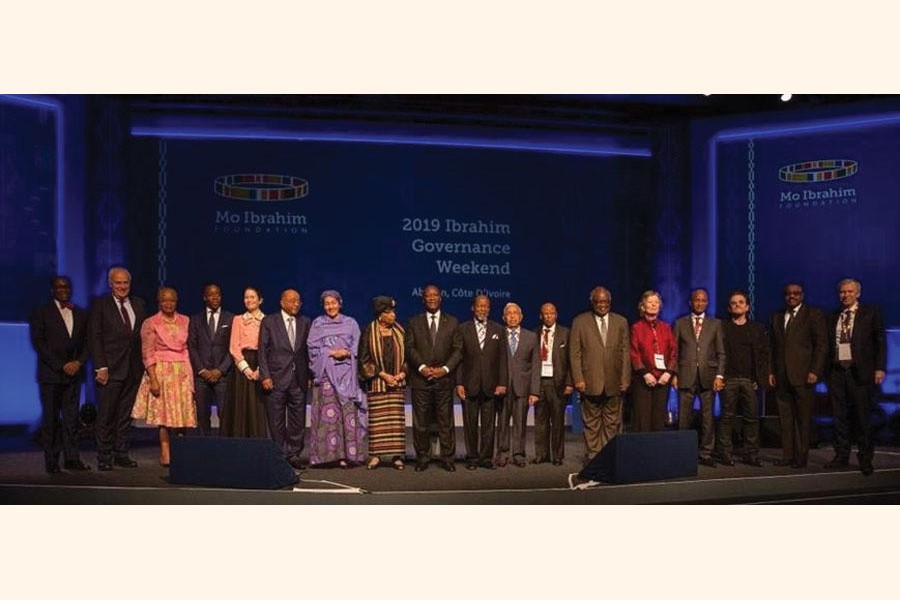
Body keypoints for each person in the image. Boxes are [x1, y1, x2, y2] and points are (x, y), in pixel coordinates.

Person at [29, 276, 91, 473]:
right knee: (51, 419)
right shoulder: (42, 312)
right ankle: (52, 461)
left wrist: (78, 362)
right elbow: (39, 343)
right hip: (51, 375)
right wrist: (61, 365)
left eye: (67, 287)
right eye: (59, 287)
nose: (64, 290)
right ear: (52, 290)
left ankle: (72, 459)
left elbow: (88, 342)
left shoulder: (80, 313)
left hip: (74, 375)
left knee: (72, 419)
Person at [824, 278, 886, 476]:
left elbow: (880, 342)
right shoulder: (834, 315)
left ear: (857, 293)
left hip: (860, 372)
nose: (845, 295)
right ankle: (841, 455)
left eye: (850, 292)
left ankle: (865, 459)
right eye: (842, 292)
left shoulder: (870, 312)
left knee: (862, 417)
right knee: (839, 417)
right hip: (836, 372)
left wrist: (879, 368)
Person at [132, 287, 197, 466]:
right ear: (159, 302)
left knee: (182, 413)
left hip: (182, 371)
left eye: (172, 300)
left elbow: (188, 348)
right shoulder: (151, 323)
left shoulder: (186, 320)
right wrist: (153, 378)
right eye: (164, 300)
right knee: (164, 415)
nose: (168, 303)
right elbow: (148, 352)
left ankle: (181, 450)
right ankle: (165, 451)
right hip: (162, 371)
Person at [89, 267, 146, 470]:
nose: (122, 286)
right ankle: (104, 457)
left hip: (133, 369)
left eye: (125, 283)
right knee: (106, 415)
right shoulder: (100, 305)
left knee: (124, 415)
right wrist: (100, 367)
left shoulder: (139, 304)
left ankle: (121, 452)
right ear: (110, 284)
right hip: (110, 369)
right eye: (118, 283)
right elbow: (95, 337)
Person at [768, 282, 827, 468]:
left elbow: (821, 345)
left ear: (802, 295)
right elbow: (772, 347)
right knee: (785, 419)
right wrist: (770, 371)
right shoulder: (777, 316)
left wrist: (815, 370)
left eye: (795, 293)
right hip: (781, 375)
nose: (791, 296)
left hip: (804, 375)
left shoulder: (813, 314)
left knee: (803, 418)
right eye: (788, 294)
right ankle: (787, 456)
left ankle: (801, 458)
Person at [405, 284, 463, 472]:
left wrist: (444, 369)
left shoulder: (453, 322)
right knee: (421, 422)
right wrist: (422, 368)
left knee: (446, 421)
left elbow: (457, 350)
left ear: (440, 298)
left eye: (435, 295)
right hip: (420, 380)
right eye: (427, 296)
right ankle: (422, 457)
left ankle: (448, 458)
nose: (431, 298)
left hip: (444, 380)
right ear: (423, 299)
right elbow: (410, 348)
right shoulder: (414, 322)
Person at [570, 286, 631, 462]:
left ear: (610, 302)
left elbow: (625, 353)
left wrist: (625, 378)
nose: (602, 305)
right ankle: (593, 455)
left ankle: (609, 454)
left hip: (615, 380)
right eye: (598, 302)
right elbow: (574, 354)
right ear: (592, 302)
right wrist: (578, 378)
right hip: (589, 381)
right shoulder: (580, 322)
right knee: (591, 422)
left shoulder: (621, 322)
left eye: (605, 302)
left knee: (612, 422)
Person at [307, 290, 367, 468]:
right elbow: (312, 349)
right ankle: (326, 456)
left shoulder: (351, 323)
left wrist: (347, 353)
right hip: (326, 377)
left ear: (340, 303)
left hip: (348, 377)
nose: (330, 306)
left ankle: (347, 456)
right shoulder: (318, 324)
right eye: (327, 304)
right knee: (329, 418)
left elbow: (359, 347)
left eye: (333, 303)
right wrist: (332, 352)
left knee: (347, 415)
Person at [673, 288, 726, 467]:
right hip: (685, 376)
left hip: (708, 376)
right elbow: (674, 352)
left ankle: (706, 453)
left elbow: (721, 353)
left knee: (708, 417)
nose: (700, 303)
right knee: (683, 417)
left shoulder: (715, 324)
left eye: (703, 300)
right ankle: (681, 452)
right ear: (690, 302)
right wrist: (674, 374)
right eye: (697, 300)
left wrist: (719, 375)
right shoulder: (680, 323)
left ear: (707, 303)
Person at [258, 289, 311, 470]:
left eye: (298, 301)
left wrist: (309, 375)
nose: (296, 304)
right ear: (282, 303)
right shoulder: (269, 322)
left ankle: (294, 454)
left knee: (298, 419)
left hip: (298, 379)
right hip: (276, 378)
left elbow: (307, 352)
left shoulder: (305, 322)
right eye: (291, 301)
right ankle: (279, 454)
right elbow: (262, 351)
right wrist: (265, 376)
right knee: (276, 420)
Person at [455, 294, 508, 470]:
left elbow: (502, 359)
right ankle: (472, 458)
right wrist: (459, 383)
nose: (482, 309)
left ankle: (486, 458)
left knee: (488, 425)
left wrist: (502, 382)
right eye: (479, 306)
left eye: (486, 306)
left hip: (491, 385)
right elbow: (459, 358)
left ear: (489, 309)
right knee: (470, 425)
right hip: (469, 384)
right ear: (473, 307)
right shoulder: (463, 329)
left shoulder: (498, 329)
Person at [716, 290, 768, 467]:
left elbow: (762, 355)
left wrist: (758, 378)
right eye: (733, 303)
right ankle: (724, 453)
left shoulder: (756, 329)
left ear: (747, 307)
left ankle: (751, 454)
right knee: (726, 418)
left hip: (749, 380)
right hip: (728, 379)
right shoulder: (722, 327)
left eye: (740, 302)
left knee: (751, 418)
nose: (737, 305)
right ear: (729, 308)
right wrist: (719, 376)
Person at [359, 296, 409, 470]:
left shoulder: (401, 331)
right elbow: (364, 359)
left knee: (395, 423)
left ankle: (396, 456)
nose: (393, 315)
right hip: (378, 383)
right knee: (378, 422)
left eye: (394, 312)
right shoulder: (369, 331)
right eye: (389, 313)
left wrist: (402, 373)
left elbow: (408, 356)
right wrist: (383, 375)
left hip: (397, 383)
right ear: (380, 315)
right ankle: (376, 456)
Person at [497, 302, 540, 467]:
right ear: (503, 317)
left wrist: (534, 391)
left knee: (520, 423)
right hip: (502, 386)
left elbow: (536, 365)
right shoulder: (497, 335)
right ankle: (502, 453)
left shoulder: (531, 337)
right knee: (502, 422)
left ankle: (519, 454)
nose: (512, 316)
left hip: (523, 387)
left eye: (516, 313)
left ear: (521, 317)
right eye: (509, 313)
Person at [187, 283, 234, 435]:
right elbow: (192, 346)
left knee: (225, 415)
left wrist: (220, 370)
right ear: (204, 297)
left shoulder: (231, 318)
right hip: (202, 376)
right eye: (211, 295)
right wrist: (201, 370)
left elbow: (233, 347)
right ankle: (204, 449)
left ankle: (225, 449)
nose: (215, 297)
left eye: (218, 294)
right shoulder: (195, 319)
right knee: (202, 415)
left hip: (223, 375)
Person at [222, 286, 268, 437]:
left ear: (260, 300)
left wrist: (261, 369)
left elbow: (269, 348)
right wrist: (247, 369)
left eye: (252, 297)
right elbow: (234, 347)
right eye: (246, 297)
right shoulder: (238, 320)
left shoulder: (267, 321)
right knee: (241, 404)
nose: (249, 300)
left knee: (258, 405)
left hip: (261, 363)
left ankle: (258, 442)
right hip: (242, 365)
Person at [629, 290, 676, 434]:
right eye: (650, 302)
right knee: (642, 419)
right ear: (643, 306)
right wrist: (645, 373)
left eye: (656, 302)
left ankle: (657, 453)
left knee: (658, 419)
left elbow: (674, 352)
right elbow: (634, 352)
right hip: (643, 380)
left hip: (663, 380)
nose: (654, 305)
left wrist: (668, 373)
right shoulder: (636, 328)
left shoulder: (666, 327)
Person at [532, 302, 572, 466]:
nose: (548, 316)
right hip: (539, 382)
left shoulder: (566, 333)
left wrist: (570, 382)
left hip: (559, 383)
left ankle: (557, 456)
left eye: (552, 313)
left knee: (557, 421)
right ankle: (541, 454)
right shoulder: (534, 333)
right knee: (540, 421)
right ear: (541, 316)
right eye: (545, 313)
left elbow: (571, 361)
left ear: (556, 315)